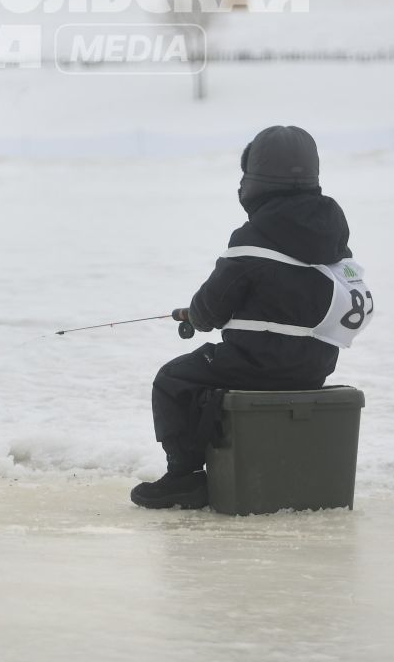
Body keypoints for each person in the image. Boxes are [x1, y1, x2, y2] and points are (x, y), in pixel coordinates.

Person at [131, 125, 374, 510]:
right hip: (315, 367)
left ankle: (185, 477)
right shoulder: (333, 235)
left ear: (253, 180)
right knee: (206, 376)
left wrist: (192, 314)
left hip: (254, 364)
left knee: (173, 379)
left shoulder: (252, 238)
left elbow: (210, 312)